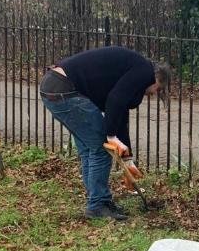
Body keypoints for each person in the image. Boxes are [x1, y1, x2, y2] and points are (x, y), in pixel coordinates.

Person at [39, 46, 171, 221]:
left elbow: (120, 116)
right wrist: (110, 136)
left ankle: (98, 200)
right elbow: (115, 101)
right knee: (101, 150)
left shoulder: (131, 69)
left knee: (89, 149)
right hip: (65, 90)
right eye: (158, 88)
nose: (154, 93)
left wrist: (127, 161)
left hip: (54, 87)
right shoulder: (144, 71)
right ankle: (97, 205)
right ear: (157, 77)